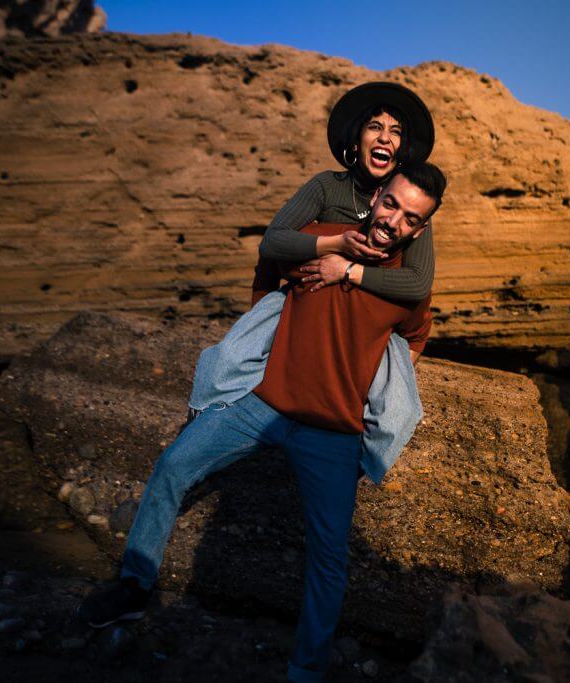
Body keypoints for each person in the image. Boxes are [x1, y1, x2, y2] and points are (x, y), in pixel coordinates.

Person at [78, 162, 447, 683]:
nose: (394, 221)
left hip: (335, 432)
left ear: (420, 229)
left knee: (328, 557)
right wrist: (260, 331)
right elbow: (269, 261)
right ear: (377, 196)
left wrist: (385, 390)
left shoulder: (406, 287)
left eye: (411, 218)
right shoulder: (319, 239)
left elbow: (414, 337)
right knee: (174, 465)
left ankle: (306, 670)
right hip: (263, 404)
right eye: (391, 204)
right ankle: (135, 586)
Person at [257, 81, 436, 302]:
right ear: (355, 141)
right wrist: (337, 243)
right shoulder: (327, 185)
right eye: (375, 127)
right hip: (310, 302)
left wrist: (347, 270)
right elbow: (272, 241)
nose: (384, 138)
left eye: (396, 132)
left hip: (372, 314)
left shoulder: (409, 204)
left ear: (403, 149)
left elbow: (418, 283)